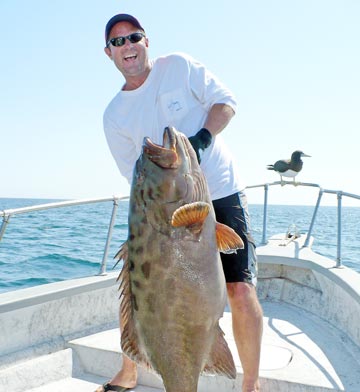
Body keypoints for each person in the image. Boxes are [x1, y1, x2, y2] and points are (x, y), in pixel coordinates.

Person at [96, 13, 263, 392]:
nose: (127, 47)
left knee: (240, 289)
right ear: (109, 53)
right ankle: (131, 368)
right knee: (143, 288)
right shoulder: (114, 116)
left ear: (146, 41)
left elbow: (226, 102)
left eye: (133, 37)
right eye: (118, 42)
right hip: (163, 214)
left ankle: (250, 384)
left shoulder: (179, 67)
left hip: (219, 190)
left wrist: (202, 138)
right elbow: (135, 177)